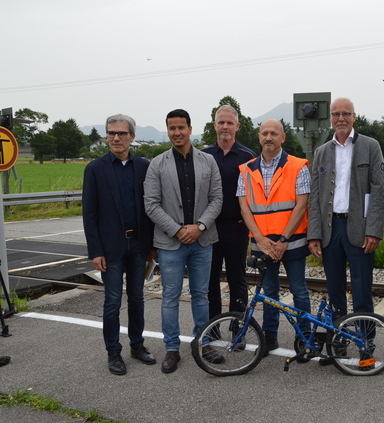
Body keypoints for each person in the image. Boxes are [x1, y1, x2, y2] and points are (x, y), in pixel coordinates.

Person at [307, 97, 384, 362]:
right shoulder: (321, 151)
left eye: (345, 114)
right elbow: (315, 196)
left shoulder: (370, 146)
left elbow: (379, 191)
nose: (340, 118)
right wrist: (314, 234)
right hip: (331, 230)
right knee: (335, 291)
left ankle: (366, 346)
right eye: (335, 114)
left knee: (362, 291)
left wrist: (374, 230)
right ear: (331, 118)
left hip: (360, 230)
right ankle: (338, 341)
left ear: (354, 117)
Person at [144, 109, 223, 373]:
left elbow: (217, 199)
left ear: (190, 129)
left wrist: (199, 226)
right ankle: (171, 348)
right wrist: (178, 230)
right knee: (170, 297)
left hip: (202, 241)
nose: (177, 132)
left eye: (181, 127)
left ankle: (205, 343)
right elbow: (152, 205)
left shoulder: (208, 161)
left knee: (201, 295)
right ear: (167, 131)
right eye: (171, 128)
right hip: (170, 243)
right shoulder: (157, 164)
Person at [82, 114, 156, 375]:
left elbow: (150, 208)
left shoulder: (144, 166)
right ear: (106, 136)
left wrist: (151, 246)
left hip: (138, 245)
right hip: (110, 249)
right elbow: (89, 214)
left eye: (121, 133)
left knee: (137, 299)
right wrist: (95, 251)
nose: (115, 137)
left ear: (131, 137)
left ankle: (137, 345)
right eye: (111, 133)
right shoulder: (95, 169)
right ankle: (113, 352)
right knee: (112, 302)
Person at [237, 119, 311, 353]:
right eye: (264, 133)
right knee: (269, 293)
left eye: (273, 133)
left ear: (283, 137)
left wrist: (283, 240)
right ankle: (270, 337)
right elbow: (244, 207)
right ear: (259, 137)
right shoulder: (246, 169)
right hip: (262, 244)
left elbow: (301, 205)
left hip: (292, 242)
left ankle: (305, 338)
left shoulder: (299, 166)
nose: (269, 137)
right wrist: (259, 238)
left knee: (299, 290)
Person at [202, 105, 256, 319]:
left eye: (229, 123)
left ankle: (238, 327)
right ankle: (212, 326)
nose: (225, 126)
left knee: (237, 279)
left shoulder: (249, 157)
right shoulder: (204, 155)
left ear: (237, 126)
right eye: (221, 122)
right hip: (209, 228)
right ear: (214, 125)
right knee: (210, 280)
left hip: (237, 228)